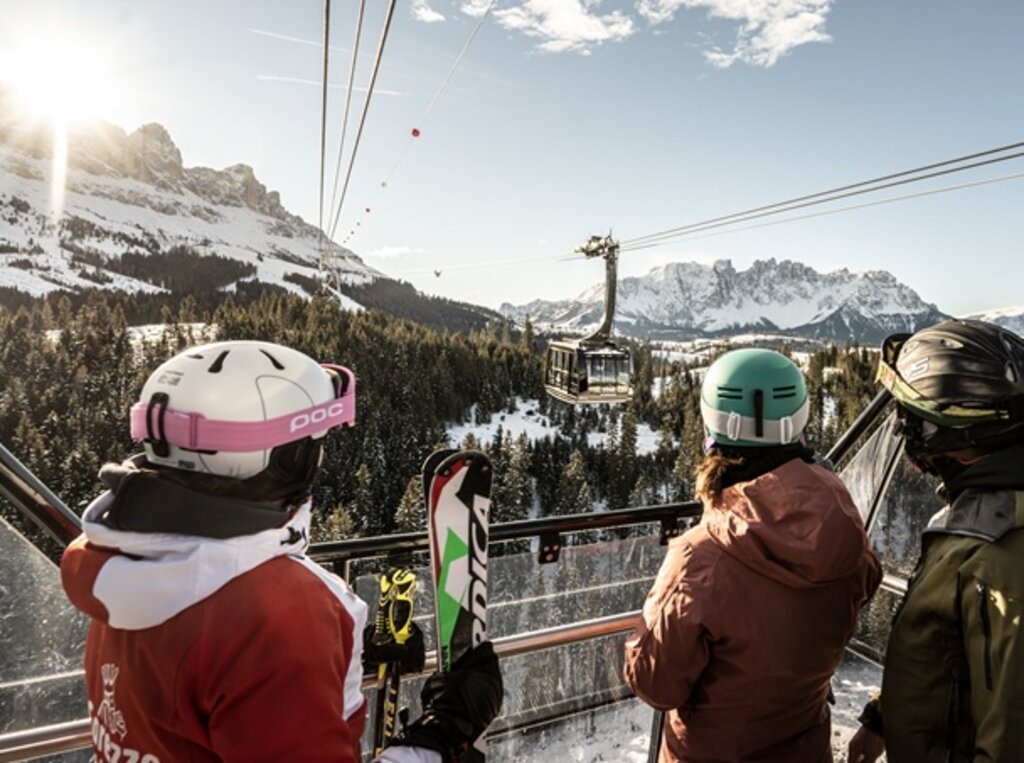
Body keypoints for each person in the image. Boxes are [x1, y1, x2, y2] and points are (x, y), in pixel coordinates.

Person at [60, 340, 501, 763]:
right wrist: (440, 738)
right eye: (316, 442)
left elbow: (189, 691)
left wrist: (341, 657)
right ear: (291, 459)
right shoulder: (278, 612)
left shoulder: (119, 565)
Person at [624, 348, 881, 762]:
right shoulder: (848, 535)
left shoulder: (699, 557)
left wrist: (650, 624)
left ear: (712, 427)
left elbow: (656, 684)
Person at [848, 319, 1024, 763]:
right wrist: (882, 718)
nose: (903, 430)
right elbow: (944, 655)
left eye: (913, 418)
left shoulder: (999, 556)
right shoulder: (977, 513)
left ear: (958, 428)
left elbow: (1010, 734)